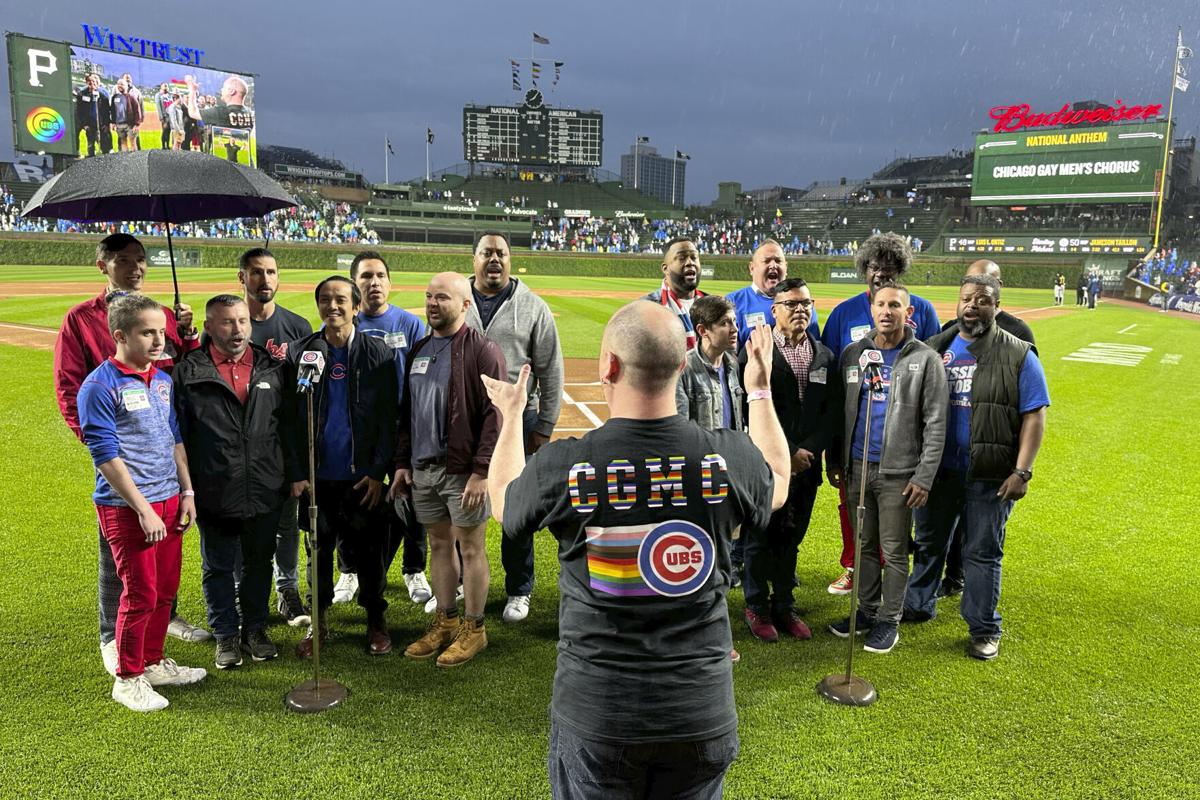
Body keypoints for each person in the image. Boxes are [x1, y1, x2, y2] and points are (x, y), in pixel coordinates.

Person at [483, 301, 791, 800]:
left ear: (608, 366)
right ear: (683, 360)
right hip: (700, 713)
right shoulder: (728, 455)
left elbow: (503, 501)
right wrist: (759, 388)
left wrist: (513, 414)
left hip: (599, 715)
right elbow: (778, 482)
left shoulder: (567, 463)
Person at [53, 234, 207, 677]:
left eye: (141, 260)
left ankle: (156, 637)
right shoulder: (81, 319)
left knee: (159, 568)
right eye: (124, 261)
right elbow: (69, 387)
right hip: (120, 460)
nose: (135, 268)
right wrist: (106, 447)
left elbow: (178, 373)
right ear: (103, 264)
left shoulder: (160, 316)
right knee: (121, 559)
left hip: (162, 455)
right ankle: (113, 640)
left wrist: (188, 333)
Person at [903, 274, 1050, 661]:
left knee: (981, 552)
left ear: (996, 307)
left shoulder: (1019, 353)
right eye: (966, 299)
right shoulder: (935, 348)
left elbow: (1034, 415)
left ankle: (984, 628)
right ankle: (918, 604)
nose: (972, 305)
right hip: (938, 472)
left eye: (982, 300)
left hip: (991, 475)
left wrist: (1022, 471)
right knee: (930, 543)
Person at [78, 294, 206, 712]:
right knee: (140, 594)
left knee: (165, 591)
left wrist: (186, 493)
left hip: (171, 499)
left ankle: (153, 662)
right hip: (128, 508)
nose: (157, 340)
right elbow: (106, 456)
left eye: (161, 332)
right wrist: (143, 508)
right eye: (147, 333)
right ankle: (128, 678)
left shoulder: (163, 380)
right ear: (120, 335)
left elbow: (175, 441)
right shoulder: (99, 385)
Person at [826, 281, 947, 654]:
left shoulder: (924, 359)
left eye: (894, 305)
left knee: (893, 550)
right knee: (863, 545)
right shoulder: (852, 353)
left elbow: (936, 423)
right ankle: (865, 610)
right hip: (857, 468)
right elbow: (841, 412)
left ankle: (888, 620)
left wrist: (924, 476)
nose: (886, 311)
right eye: (880, 304)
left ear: (907, 313)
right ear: (872, 309)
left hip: (899, 472)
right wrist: (836, 461)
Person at [394, 273, 506, 668]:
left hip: (462, 471)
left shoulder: (483, 351)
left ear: (465, 304)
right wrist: (403, 462)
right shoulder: (421, 349)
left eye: (442, 297)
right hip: (423, 470)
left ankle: (474, 629)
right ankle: (446, 621)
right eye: (428, 296)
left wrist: (480, 471)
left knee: (471, 547)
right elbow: (408, 412)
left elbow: (496, 416)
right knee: (439, 546)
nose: (432, 303)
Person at [174, 295, 291, 669]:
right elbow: (177, 436)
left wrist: (290, 477)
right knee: (219, 566)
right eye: (227, 322)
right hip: (214, 489)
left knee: (259, 564)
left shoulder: (273, 367)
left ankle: (254, 629)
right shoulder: (189, 371)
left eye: (242, 321)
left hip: (264, 486)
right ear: (209, 327)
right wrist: (187, 488)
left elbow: (286, 428)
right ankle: (225, 633)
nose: (237, 329)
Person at [820, 233, 940, 597]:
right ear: (865, 270)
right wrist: (833, 450)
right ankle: (856, 570)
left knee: (896, 529)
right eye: (875, 268)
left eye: (889, 269)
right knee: (855, 517)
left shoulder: (922, 309)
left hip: (902, 450)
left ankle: (898, 595)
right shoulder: (843, 313)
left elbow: (931, 374)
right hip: (857, 445)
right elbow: (834, 385)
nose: (881, 275)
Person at [287, 276, 398, 658]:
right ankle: (319, 625)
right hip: (319, 482)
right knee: (317, 554)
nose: (332, 306)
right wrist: (300, 472)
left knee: (370, 556)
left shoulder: (378, 353)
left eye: (340, 300)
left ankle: (375, 621)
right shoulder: (303, 352)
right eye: (324, 300)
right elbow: (291, 418)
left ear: (354, 306)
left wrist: (378, 472)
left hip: (362, 479)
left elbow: (389, 418)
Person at [464, 232, 563, 624]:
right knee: (463, 503)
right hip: (466, 422)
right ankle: (461, 578)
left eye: (501, 254)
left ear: (510, 260)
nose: (494, 259)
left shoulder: (533, 307)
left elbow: (551, 371)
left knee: (515, 510)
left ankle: (519, 588)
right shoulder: (459, 300)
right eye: (487, 252)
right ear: (474, 259)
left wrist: (545, 425)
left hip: (516, 422)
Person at [738, 278, 836, 643]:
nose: (800, 310)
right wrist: (788, 450)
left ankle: (784, 606)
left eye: (806, 304)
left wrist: (809, 448)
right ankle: (756, 606)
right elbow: (753, 409)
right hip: (765, 464)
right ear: (774, 310)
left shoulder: (825, 354)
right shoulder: (754, 351)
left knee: (791, 538)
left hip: (807, 467)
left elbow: (831, 412)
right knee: (759, 538)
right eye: (791, 304)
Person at [938, 259, 1035, 597]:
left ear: (997, 294)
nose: (975, 301)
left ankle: (975, 604)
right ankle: (938, 586)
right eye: (969, 289)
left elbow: (1029, 407)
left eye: (985, 290)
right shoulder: (947, 333)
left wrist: (1021, 469)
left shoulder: (1018, 336)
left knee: (983, 541)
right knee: (938, 534)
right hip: (947, 464)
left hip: (992, 462)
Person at [348, 250, 432, 607]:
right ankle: (348, 570)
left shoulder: (410, 324)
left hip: (404, 427)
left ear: (390, 282)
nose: (374, 282)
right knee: (355, 502)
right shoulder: (347, 325)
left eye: (380, 275)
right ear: (356, 284)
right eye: (366, 276)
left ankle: (414, 569)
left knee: (412, 501)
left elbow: (424, 376)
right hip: (361, 431)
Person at [237, 247, 313, 627]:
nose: (265, 279)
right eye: (256, 272)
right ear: (242, 279)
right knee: (243, 525)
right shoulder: (228, 325)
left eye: (271, 271)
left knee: (286, 525)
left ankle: (288, 590)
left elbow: (304, 396)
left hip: (283, 444)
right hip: (239, 446)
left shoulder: (298, 327)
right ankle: (244, 593)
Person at [725, 239, 819, 352]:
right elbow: (727, 356)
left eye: (778, 261)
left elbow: (816, 351)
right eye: (767, 261)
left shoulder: (804, 305)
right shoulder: (732, 302)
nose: (773, 265)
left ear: (786, 267)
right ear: (752, 268)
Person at [643, 237, 706, 348]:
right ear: (665, 269)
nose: (689, 262)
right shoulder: (646, 308)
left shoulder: (712, 304)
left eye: (694, 257)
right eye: (681, 258)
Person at [185, 74, 254, 130]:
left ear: (232, 91)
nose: (221, 90)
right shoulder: (249, 113)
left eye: (224, 87)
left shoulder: (220, 112)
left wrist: (192, 90)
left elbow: (193, 112)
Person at [75, 73, 112, 157]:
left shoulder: (103, 96)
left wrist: (106, 124)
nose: (92, 84)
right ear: (87, 83)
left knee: (104, 145)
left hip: (101, 125)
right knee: (90, 144)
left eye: (94, 82)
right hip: (89, 125)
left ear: (98, 84)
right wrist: (84, 124)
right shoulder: (82, 94)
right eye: (90, 82)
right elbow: (80, 111)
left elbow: (106, 112)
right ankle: (91, 158)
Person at [154, 83, 174, 150]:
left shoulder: (170, 95)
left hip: (171, 116)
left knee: (168, 131)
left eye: (167, 86)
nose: (166, 87)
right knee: (164, 130)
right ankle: (163, 146)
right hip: (165, 116)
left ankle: (168, 145)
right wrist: (161, 118)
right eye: (164, 85)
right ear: (161, 87)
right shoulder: (158, 95)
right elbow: (158, 107)